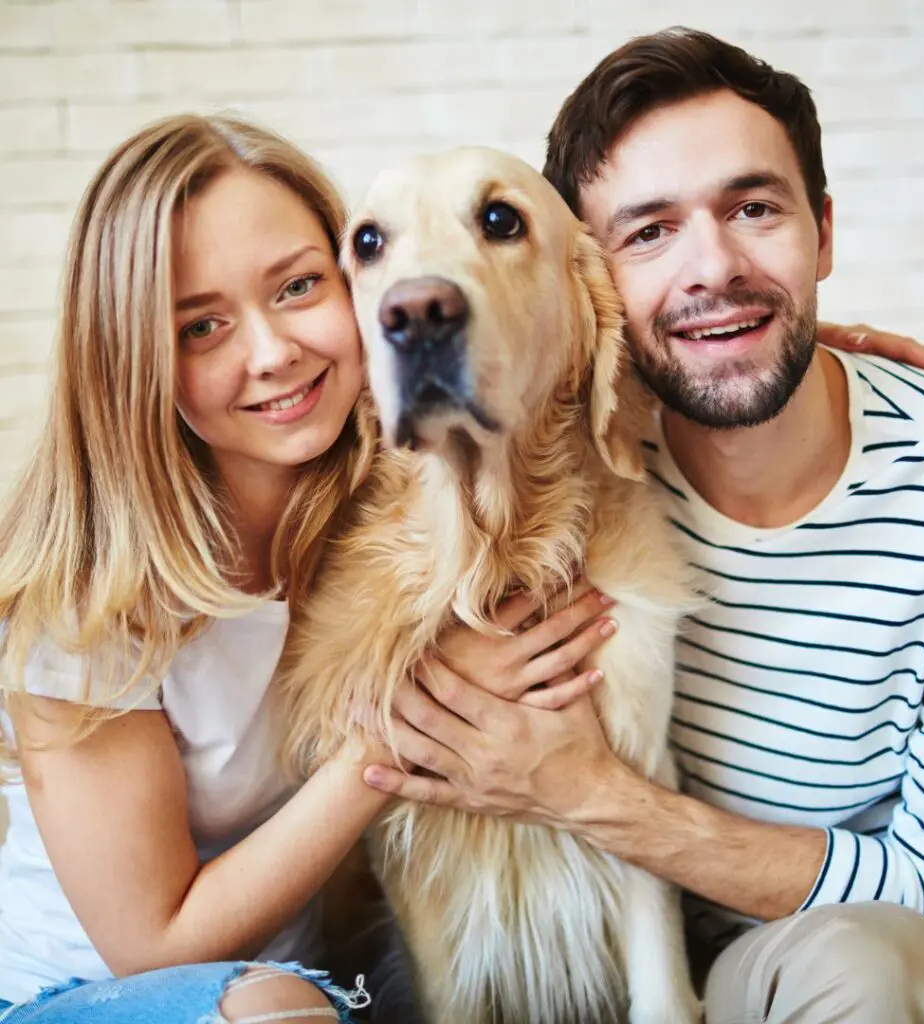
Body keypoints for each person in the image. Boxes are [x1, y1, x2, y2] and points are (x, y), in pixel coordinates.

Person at [360, 28, 924, 1024]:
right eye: (648, 233)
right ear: (593, 288)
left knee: (873, 965)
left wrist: (591, 795)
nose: (713, 267)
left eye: (753, 209)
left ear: (824, 233)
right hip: (613, 962)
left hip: (827, 952)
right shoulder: (559, 465)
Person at [0, 112, 611, 1024]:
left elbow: (565, 336)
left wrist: (799, 348)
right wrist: (410, 720)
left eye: (296, 287)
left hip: (321, 990)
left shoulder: (381, 499)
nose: (273, 352)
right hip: (91, 998)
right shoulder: (89, 609)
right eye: (202, 326)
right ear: (133, 364)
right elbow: (155, 946)